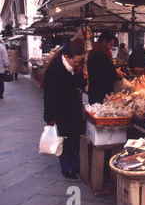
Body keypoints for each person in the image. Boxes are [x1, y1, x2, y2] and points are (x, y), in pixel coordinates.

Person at [43, 42, 87, 179]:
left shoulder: (73, 68)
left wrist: (79, 72)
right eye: (75, 61)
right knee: (64, 140)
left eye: (79, 62)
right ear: (66, 57)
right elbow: (49, 95)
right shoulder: (54, 70)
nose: (76, 64)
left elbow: (80, 84)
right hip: (60, 112)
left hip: (72, 109)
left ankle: (75, 166)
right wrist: (50, 117)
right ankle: (66, 168)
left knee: (74, 139)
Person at [88, 32, 125, 104]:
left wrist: (114, 71)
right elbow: (104, 74)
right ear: (104, 42)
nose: (111, 47)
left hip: (97, 92)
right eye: (111, 44)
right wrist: (116, 73)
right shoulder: (99, 55)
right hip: (100, 94)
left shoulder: (96, 53)